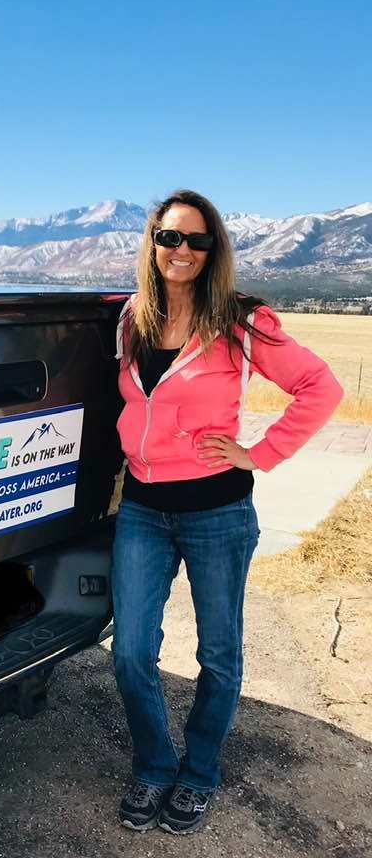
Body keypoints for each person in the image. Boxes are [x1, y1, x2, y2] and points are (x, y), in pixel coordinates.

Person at [111, 189, 343, 835]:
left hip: (218, 511)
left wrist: (260, 453)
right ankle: (155, 765)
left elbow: (320, 387)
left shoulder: (241, 320)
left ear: (214, 251)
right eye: (169, 237)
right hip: (142, 510)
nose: (180, 251)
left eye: (196, 240)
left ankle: (200, 774)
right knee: (130, 652)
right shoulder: (134, 317)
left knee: (219, 654)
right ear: (152, 243)